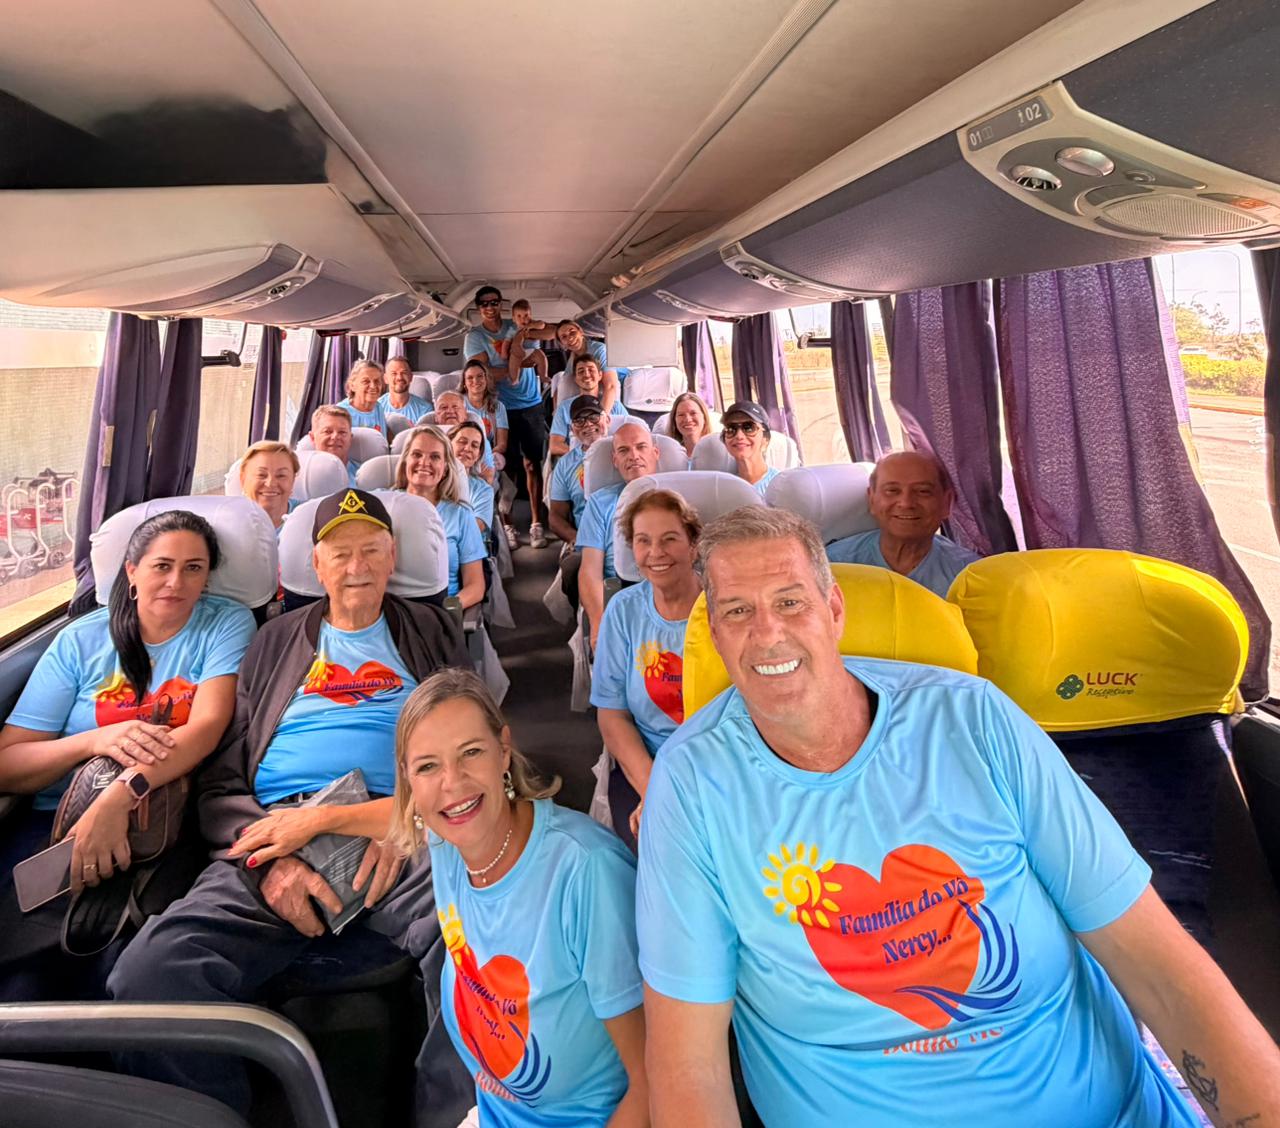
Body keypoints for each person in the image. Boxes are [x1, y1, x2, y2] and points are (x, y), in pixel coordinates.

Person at [636, 506, 1280, 1127]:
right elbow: (688, 1062)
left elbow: (1158, 962)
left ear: (833, 610)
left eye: (789, 601)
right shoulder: (692, 784)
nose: (767, 632)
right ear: (714, 634)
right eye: (737, 611)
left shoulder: (975, 719)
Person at [107, 490, 472, 1124]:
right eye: (340, 553)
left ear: (393, 560)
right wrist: (270, 857)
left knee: (483, 945)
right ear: (314, 566)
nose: (356, 567)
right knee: (150, 974)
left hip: (406, 826)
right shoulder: (272, 641)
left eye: (372, 551)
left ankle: (458, 1116)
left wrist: (408, 818)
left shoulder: (431, 629)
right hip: (275, 831)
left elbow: (474, 749)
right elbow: (222, 781)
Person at [0, 510, 253, 1000]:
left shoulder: (225, 624)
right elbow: (8, 763)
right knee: (21, 982)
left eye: (194, 568)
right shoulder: (80, 641)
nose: (177, 582)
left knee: (119, 972)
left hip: (167, 822)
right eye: (162, 566)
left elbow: (205, 729)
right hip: (59, 820)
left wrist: (119, 797)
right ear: (131, 571)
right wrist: (95, 741)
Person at [389, 668, 648, 1126]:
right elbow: (397, 817)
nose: (452, 783)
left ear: (503, 750)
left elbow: (656, 1077)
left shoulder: (585, 875)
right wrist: (317, 821)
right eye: (427, 766)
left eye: (471, 752)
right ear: (409, 781)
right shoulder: (448, 843)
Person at [591, 490, 701, 850]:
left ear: (694, 546)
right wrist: (656, 792)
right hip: (648, 763)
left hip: (718, 765)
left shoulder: (723, 607)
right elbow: (613, 715)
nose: (656, 552)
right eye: (643, 541)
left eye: (669, 539)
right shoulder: (623, 611)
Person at [464, 287, 551, 554]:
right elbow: (482, 372)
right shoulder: (475, 337)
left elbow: (547, 334)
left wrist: (531, 332)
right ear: (478, 308)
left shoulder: (517, 324)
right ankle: (508, 525)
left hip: (531, 404)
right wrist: (517, 365)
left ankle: (536, 523)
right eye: (484, 304)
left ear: (500, 305)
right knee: (505, 468)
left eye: (494, 303)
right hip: (500, 407)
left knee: (532, 464)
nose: (490, 307)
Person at [826, 449, 979, 598]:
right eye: (892, 491)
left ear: (946, 503)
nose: (906, 503)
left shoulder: (970, 576)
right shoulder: (834, 565)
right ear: (871, 500)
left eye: (923, 491)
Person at [578, 423, 660, 650]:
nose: (633, 456)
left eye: (641, 447)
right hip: (620, 593)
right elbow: (590, 569)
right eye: (624, 451)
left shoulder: (680, 497)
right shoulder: (599, 503)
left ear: (656, 453)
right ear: (615, 460)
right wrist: (599, 623)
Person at [397, 426, 487, 609]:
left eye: (435, 457)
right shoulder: (383, 503)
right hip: (391, 609)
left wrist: (447, 611)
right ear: (406, 460)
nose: (424, 463)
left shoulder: (461, 514)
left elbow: (475, 586)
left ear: (445, 468)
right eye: (417, 454)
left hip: (440, 609)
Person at [547, 396, 607, 610]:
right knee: (572, 569)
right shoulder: (565, 465)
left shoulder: (622, 450)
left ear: (606, 419)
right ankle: (585, 618)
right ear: (572, 429)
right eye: (580, 421)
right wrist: (578, 539)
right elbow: (556, 516)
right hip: (586, 537)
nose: (588, 425)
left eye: (593, 417)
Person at [549, 355, 627, 458]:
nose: (586, 374)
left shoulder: (615, 406)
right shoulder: (564, 408)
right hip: (578, 459)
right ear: (575, 379)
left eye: (591, 370)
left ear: (600, 375)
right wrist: (586, 455)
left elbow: (630, 435)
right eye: (581, 371)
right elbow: (555, 445)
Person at [556, 320, 620, 415]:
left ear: (581, 332)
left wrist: (602, 416)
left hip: (607, 400)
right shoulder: (573, 357)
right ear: (562, 343)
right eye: (564, 337)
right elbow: (564, 384)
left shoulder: (600, 350)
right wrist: (557, 411)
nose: (570, 338)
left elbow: (611, 386)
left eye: (572, 332)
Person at [238, 440, 299, 531]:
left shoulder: (312, 516)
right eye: (261, 475)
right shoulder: (226, 520)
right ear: (243, 480)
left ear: (293, 480)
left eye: (281, 475)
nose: (271, 483)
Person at [719, 400, 777, 495]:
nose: (739, 436)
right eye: (731, 429)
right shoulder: (723, 490)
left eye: (749, 428)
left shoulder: (780, 485)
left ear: (766, 439)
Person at [450, 419, 496, 538]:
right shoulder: (431, 482)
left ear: (478, 456)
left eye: (474, 446)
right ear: (448, 445)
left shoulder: (483, 490)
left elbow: (475, 528)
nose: (467, 448)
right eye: (462, 442)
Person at [461, 360, 509, 463]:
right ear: (464, 383)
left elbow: (502, 445)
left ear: (486, 379)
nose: (475, 381)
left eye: (480, 376)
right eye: (470, 378)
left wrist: (486, 458)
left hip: (488, 457)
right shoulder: (458, 405)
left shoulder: (498, 407)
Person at [336, 359, 390, 437]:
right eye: (366, 381)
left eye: (377, 381)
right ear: (352, 386)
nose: (373, 386)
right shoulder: (340, 412)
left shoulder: (378, 407)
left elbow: (382, 440)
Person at [309, 405, 359, 485]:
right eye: (327, 431)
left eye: (342, 432)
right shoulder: (299, 477)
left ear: (350, 438)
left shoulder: (365, 476)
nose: (335, 437)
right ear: (312, 437)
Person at [379, 355, 433, 424]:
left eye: (404, 373)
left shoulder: (425, 409)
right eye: (394, 373)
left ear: (411, 377)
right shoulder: (376, 408)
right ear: (385, 379)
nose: (399, 377)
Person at [666, 391, 714, 466]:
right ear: (674, 420)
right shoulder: (667, 456)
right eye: (681, 415)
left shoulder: (717, 452)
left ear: (704, 417)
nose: (688, 419)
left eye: (693, 413)